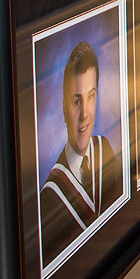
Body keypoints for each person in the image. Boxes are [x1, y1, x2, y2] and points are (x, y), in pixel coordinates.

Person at [39, 41, 122, 267]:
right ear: (65, 107)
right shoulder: (48, 197)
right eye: (77, 101)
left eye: (91, 96)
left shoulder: (103, 148)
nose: (85, 114)